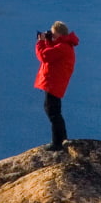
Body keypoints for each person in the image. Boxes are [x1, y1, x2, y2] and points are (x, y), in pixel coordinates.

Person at [34, 21, 79, 150]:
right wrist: (48, 40)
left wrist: (40, 42)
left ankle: (57, 143)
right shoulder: (64, 45)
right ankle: (62, 138)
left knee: (52, 112)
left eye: (53, 34)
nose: (51, 35)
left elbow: (44, 56)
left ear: (59, 34)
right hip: (55, 82)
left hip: (54, 82)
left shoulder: (63, 47)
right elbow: (52, 51)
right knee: (53, 110)